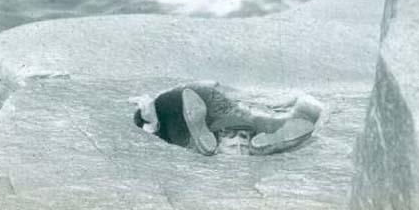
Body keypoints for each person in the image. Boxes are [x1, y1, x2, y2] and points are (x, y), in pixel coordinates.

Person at [131, 83, 322, 156]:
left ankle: (279, 138)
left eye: (242, 145)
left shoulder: (254, 145)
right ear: (220, 142)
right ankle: (199, 129)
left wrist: (305, 119)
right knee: (197, 146)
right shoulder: (205, 150)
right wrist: (153, 122)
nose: (239, 150)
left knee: (274, 131)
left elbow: (299, 127)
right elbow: (160, 142)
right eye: (232, 146)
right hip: (203, 139)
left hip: (242, 123)